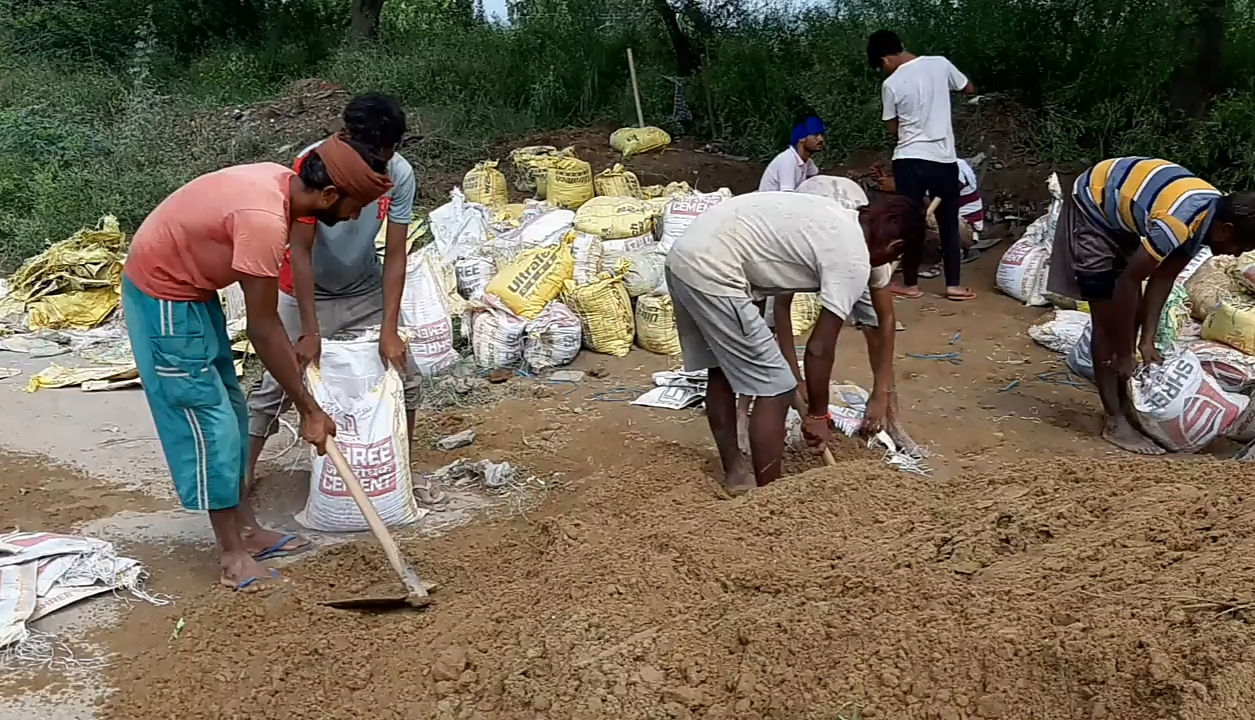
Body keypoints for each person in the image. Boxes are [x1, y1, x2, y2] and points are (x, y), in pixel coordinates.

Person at [121, 134, 393, 590]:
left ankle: (249, 532)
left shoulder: (281, 185)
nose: (355, 216)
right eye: (354, 205)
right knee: (209, 422)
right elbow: (263, 327)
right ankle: (232, 555)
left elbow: (266, 328)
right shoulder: (265, 220)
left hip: (194, 291)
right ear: (328, 195)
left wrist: (306, 402)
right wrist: (309, 410)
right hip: (163, 298)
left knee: (230, 406)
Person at [244, 94, 436, 502]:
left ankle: (400, 468)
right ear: (345, 138)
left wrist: (389, 329)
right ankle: (242, 475)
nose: (381, 166)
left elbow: (396, 254)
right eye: (373, 156)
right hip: (303, 292)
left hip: (362, 287)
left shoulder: (399, 174)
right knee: (277, 384)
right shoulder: (311, 165)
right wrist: (310, 331)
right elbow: (300, 251)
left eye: (387, 155)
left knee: (405, 375)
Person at [664, 191, 921, 495]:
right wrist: (817, 415)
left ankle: (736, 473)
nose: (890, 265)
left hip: (685, 256)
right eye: (896, 259)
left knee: (722, 370)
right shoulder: (852, 258)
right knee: (777, 388)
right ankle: (771, 497)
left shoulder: (837, 219)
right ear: (896, 245)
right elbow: (819, 349)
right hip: (715, 270)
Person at [1048, 156, 1255, 455]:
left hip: (1122, 212)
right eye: (1241, 247)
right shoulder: (1178, 223)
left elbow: (1163, 279)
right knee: (1107, 318)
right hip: (1093, 205)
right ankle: (1115, 420)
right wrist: (1123, 352)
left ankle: (1125, 402)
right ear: (1226, 230)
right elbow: (1130, 282)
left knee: (1126, 319)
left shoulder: (1205, 219)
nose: (1237, 255)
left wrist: (1145, 342)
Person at [769, 175, 919, 452]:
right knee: (761, 334)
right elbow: (782, 309)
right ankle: (748, 422)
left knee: (873, 325)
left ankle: (894, 422)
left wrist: (880, 393)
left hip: (858, 241)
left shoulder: (871, 242)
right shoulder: (802, 239)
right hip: (812, 244)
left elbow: (885, 320)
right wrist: (797, 382)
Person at [867, 29, 977, 301]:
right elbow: (968, 88)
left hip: (909, 159)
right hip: (943, 159)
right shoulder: (939, 64)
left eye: (881, 65)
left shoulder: (891, 84)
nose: (884, 70)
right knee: (948, 222)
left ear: (886, 58)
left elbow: (892, 128)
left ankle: (911, 285)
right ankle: (953, 286)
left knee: (911, 222)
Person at [758, 113, 824, 192]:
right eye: (815, 135)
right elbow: (787, 196)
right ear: (802, 138)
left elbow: (815, 178)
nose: (821, 139)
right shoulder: (788, 161)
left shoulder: (805, 161)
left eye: (821, 134)